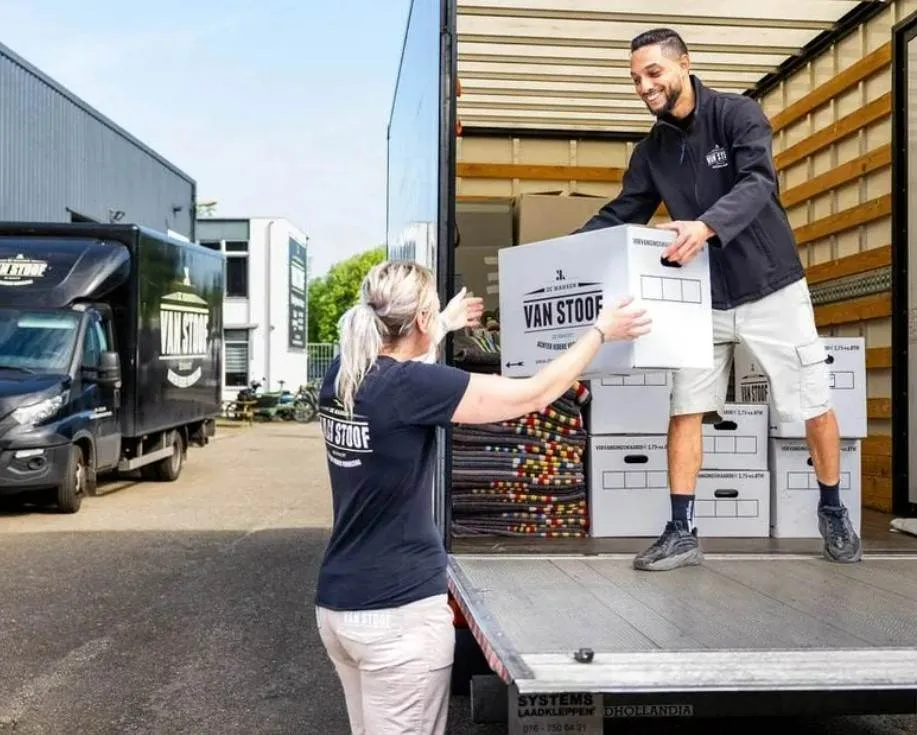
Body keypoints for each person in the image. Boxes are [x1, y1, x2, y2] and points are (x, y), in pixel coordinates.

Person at [313, 260, 651, 735]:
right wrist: (600, 331)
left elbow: (405, 367)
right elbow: (535, 395)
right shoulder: (411, 388)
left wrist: (444, 322)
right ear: (420, 322)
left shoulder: (343, 373)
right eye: (431, 313)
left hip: (339, 608)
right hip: (398, 617)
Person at [576, 27, 862, 571]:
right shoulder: (652, 150)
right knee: (685, 409)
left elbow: (758, 182)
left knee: (812, 403)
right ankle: (682, 531)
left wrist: (706, 226)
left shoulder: (738, 114)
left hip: (771, 285)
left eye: (653, 72)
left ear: (684, 63)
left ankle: (833, 508)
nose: (644, 86)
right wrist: (560, 257)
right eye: (635, 78)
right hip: (701, 300)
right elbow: (624, 212)